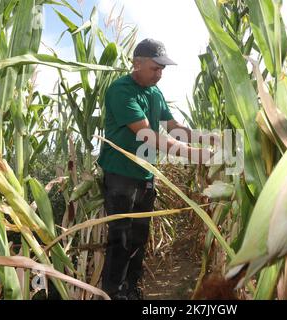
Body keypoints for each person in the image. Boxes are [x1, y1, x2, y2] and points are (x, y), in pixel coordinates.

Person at [97, 38, 216, 300]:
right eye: (155, 68)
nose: (160, 74)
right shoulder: (121, 91)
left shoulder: (154, 93)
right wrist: (197, 155)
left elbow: (173, 128)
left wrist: (207, 138)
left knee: (139, 237)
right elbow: (150, 137)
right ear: (136, 64)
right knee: (121, 239)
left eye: (163, 69)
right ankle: (113, 294)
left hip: (145, 175)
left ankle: (132, 289)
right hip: (120, 176)